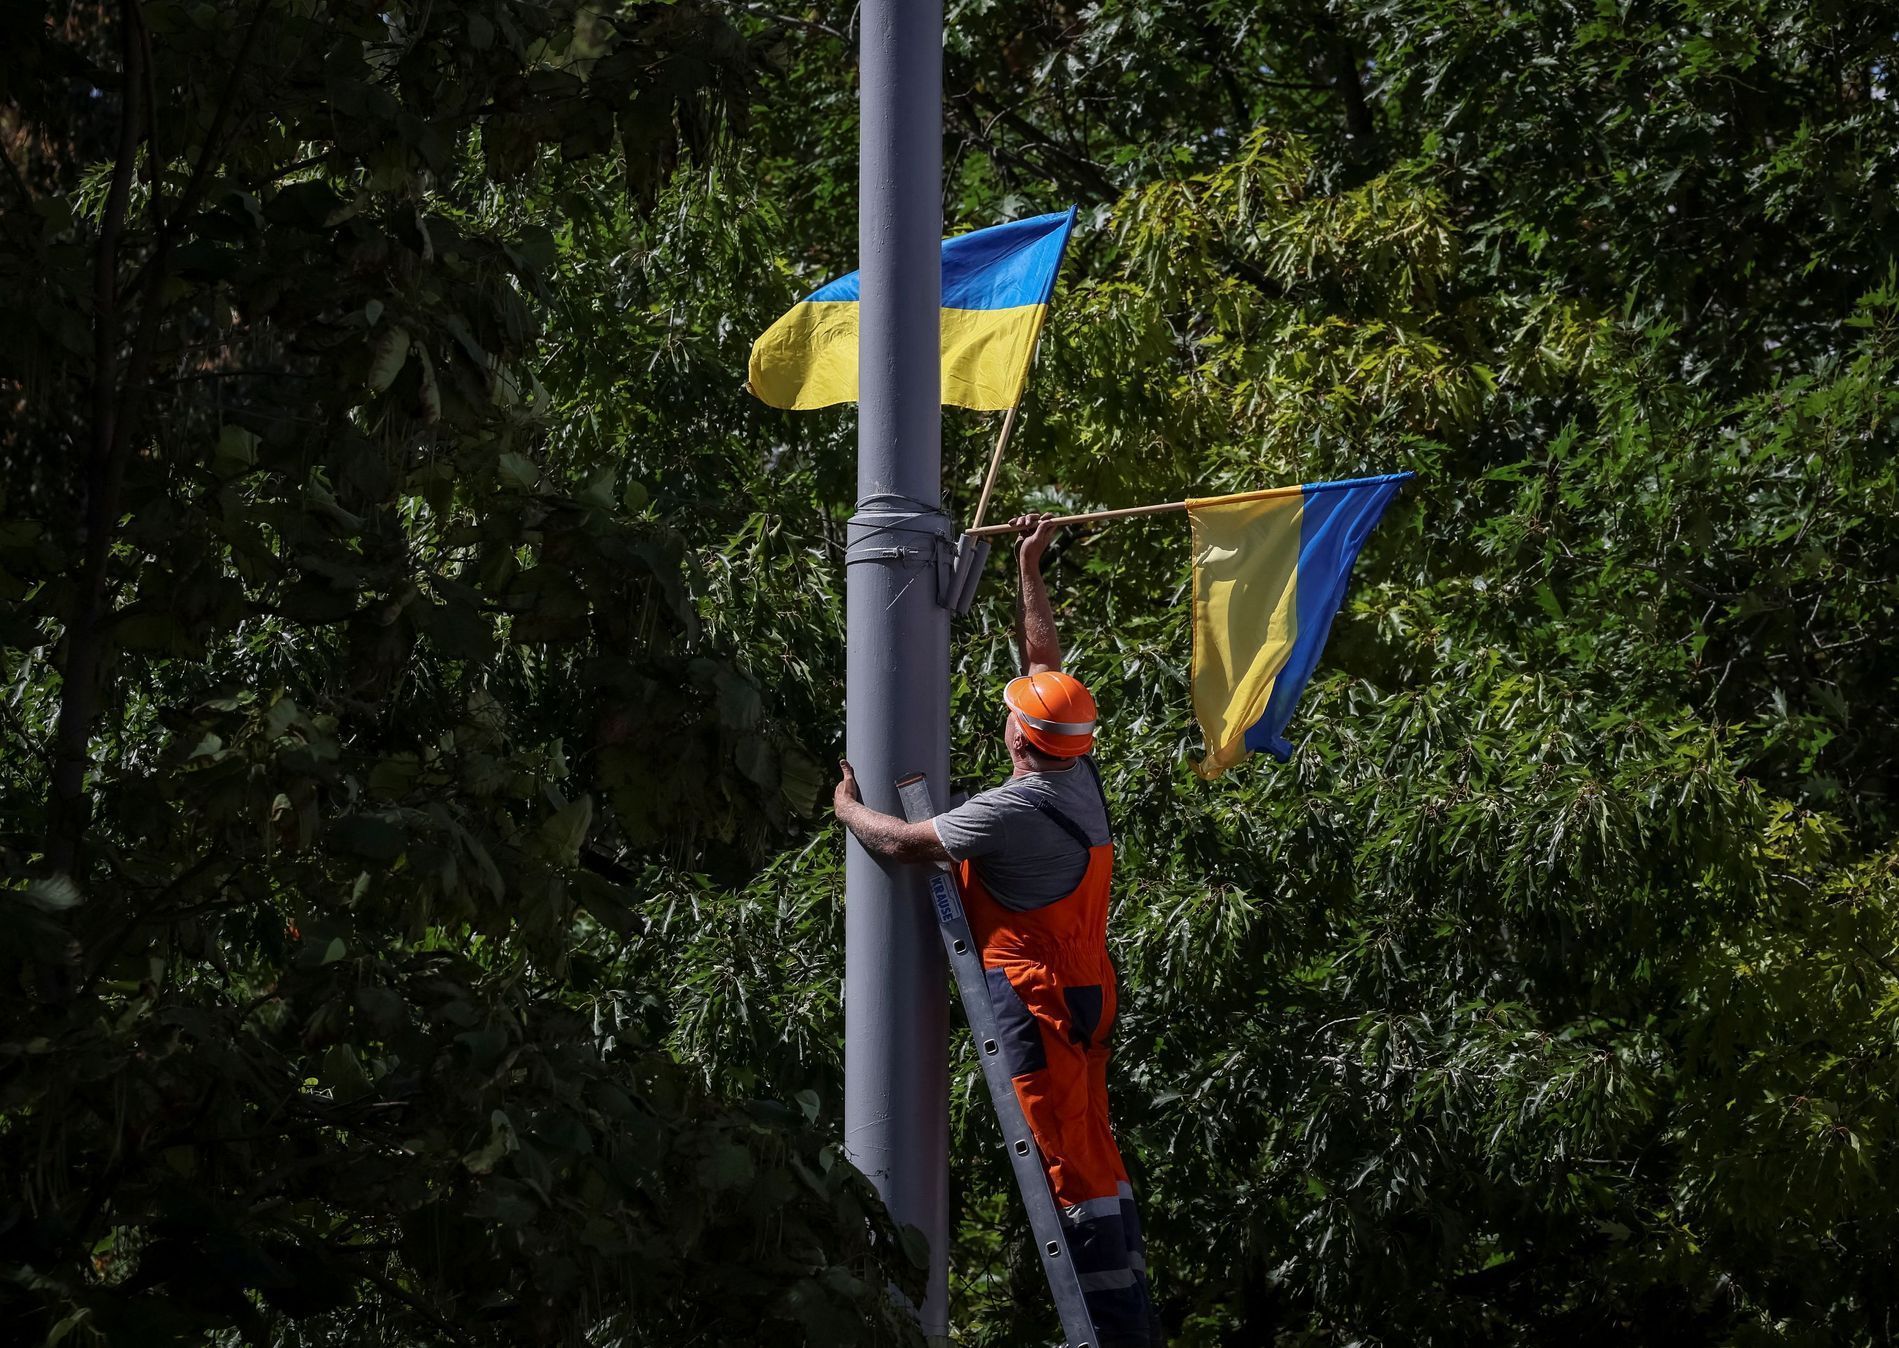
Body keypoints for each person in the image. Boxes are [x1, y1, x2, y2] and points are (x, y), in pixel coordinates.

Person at [833, 513, 1163, 1348]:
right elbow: (1044, 665)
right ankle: (1134, 1312)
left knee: (1065, 1165)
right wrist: (1028, 564)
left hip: (1036, 995)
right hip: (1087, 987)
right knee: (1093, 1149)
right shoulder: (1076, 771)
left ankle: (1112, 1326)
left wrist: (844, 807)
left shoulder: (1013, 808)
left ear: (1019, 736)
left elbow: (906, 844)